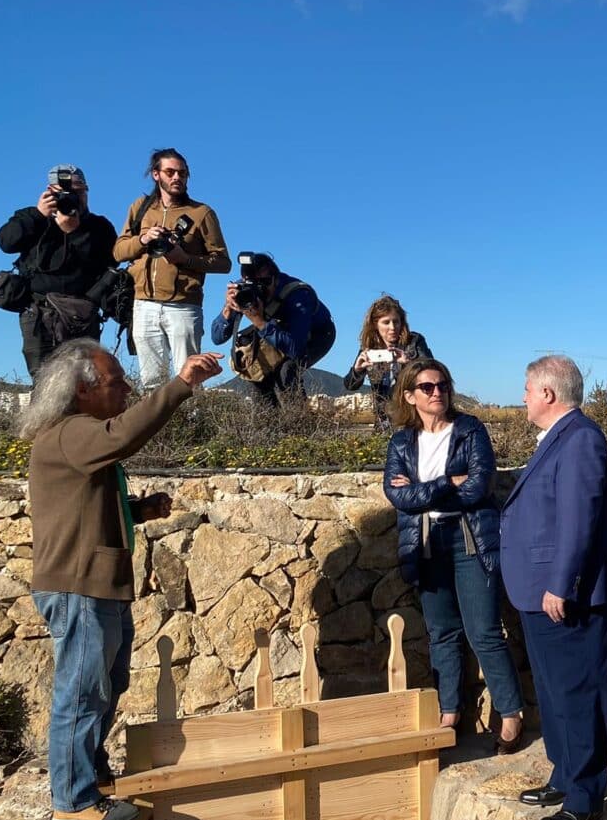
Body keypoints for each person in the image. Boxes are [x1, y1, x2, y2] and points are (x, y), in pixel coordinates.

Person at [19, 339, 223, 820]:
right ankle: (72, 800)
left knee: (105, 687)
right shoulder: (70, 432)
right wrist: (181, 385)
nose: (127, 387)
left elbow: (81, 508)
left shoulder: (75, 436)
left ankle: (91, 778)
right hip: (80, 587)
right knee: (83, 692)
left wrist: (136, 510)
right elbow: (125, 435)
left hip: (98, 586)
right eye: (116, 382)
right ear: (83, 391)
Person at [498, 355, 607, 820]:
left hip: (566, 594)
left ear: (548, 394)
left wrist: (561, 582)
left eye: (528, 388)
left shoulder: (582, 439)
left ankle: (586, 797)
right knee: (553, 692)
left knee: (580, 693)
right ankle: (564, 776)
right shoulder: (558, 439)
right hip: (540, 592)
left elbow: (579, 518)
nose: (523, 395)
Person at [383, 360, 525, 752]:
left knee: (484, 631)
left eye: (442, 385)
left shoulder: (470, 430)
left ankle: (511, 712)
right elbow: (397, 495)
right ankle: (450, 712)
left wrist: (422, 488)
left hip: (468, 539)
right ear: (410, 396)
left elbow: (478, 487)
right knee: (442, 632)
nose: (437, 392)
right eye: (427, 387)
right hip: (427, 543)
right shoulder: (400, 442)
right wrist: (446, 482)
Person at [113, 148, 231, 388]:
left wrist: (184, 258)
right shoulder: (140, 208)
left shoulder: (202, 213)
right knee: (150, 383)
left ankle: (190, 426)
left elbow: (223, 262)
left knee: (189, 380)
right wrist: (144, 240)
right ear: (156, 174)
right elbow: (118, 251)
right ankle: (158, 426)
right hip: (143, 303)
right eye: (170, 172)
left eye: (183, 173)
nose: (177, 177)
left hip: (184, 305)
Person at [0, 164, 119, 378]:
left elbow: (109, 262)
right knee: (44, 381)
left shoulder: (99, 226)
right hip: (38, 313)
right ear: (49, 191)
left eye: (78, 189)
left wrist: (74, 232)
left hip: (82, 314)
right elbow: (6, 242)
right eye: (63, 191)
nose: (72, 196)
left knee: (85, 381)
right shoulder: (31, 217)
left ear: (86, 191)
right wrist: (37, 214)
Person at [209, 252, 337, 406]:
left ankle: (299, 422)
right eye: (253, 283)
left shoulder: (298, 295)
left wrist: (259, 321)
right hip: (275, 327)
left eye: (265, 282)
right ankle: (268, 422)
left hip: (317, 333)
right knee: (254, 366)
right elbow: (217, 338)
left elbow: (295, 349)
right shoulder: (243, 291)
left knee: (287, 370)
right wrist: (227, 310)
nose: (259, 289)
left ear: (276, 279)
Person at [344, 295, 432, 427]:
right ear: (375, 324)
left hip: (414, 418)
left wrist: (408, 363)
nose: (392, 327)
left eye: (396, 322)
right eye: (386, 322)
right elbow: (350, 386)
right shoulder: (368, 348)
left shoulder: (414, 341)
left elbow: (432, 374)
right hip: (384, 422)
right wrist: (357, 370)